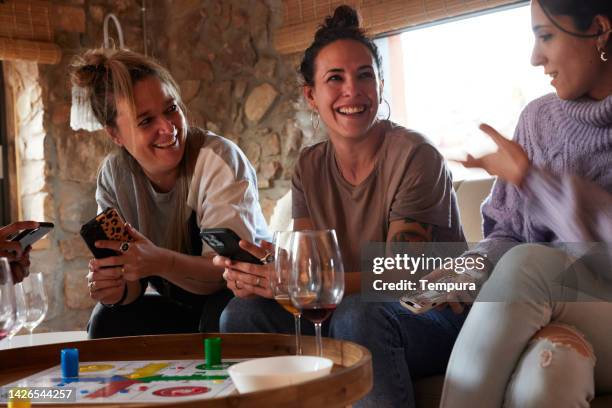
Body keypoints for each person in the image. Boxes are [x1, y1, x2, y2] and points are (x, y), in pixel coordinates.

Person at [214, 6, 466, 407]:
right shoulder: (310, 166)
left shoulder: (416, 155)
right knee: (241, 315)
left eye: (365, 75)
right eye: (336, 78)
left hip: (432, 312)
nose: (354, 90)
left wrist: (304, 285)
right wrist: (265, 272)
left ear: (380, 84)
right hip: (346, 307)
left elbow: (402, 273)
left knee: (357, 315)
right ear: (311, 95)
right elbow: (307, 265)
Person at [440, 0, 612, 406]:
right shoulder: (539, 120)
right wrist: (468, 268)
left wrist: (531, 180)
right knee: (551, 368)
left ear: (600, 29)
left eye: (546, 36)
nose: (536, 58)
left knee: (531, 264)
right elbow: (509, 233)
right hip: (566, 310)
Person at [70, 48, 270, 339]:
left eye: (171, 109)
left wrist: (159, 261)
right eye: (146, 121)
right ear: (115, 135)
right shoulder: (114, 176)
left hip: (238, 297)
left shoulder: (217, 159)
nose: (168, 128)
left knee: (223, 317)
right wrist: (115, 288)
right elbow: (130, 281)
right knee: (107, 319)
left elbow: (225, 273)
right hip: (179, 304)